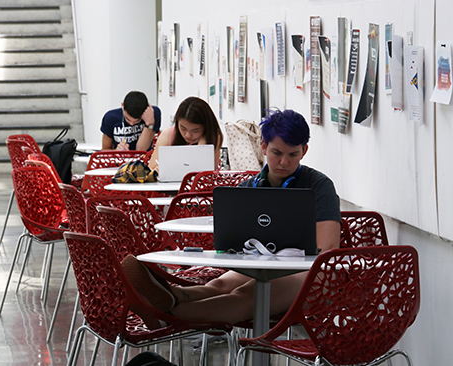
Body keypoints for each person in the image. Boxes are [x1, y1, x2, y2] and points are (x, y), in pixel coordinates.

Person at [122, 108, 342, 325]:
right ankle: (169, 296)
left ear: (304, 151)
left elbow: (327, 248)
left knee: (247, 294)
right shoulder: (247, 189)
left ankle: (166, 317)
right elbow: (231, 242)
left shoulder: (318, 186)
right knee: (217, 286)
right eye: (277, 153)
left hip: (311, 273)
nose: (284, 162)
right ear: (264, 147)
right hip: (263, 263)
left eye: (293, 155)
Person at [147, 96, 223, 171]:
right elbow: (151, 169)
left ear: (206, 127)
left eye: (195, 130)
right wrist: (156, 171)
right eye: (183, 128)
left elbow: (203, 171)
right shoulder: (168, 135)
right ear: (177, 122)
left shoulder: (213, 137)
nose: (188, 135)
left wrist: (202, 144)